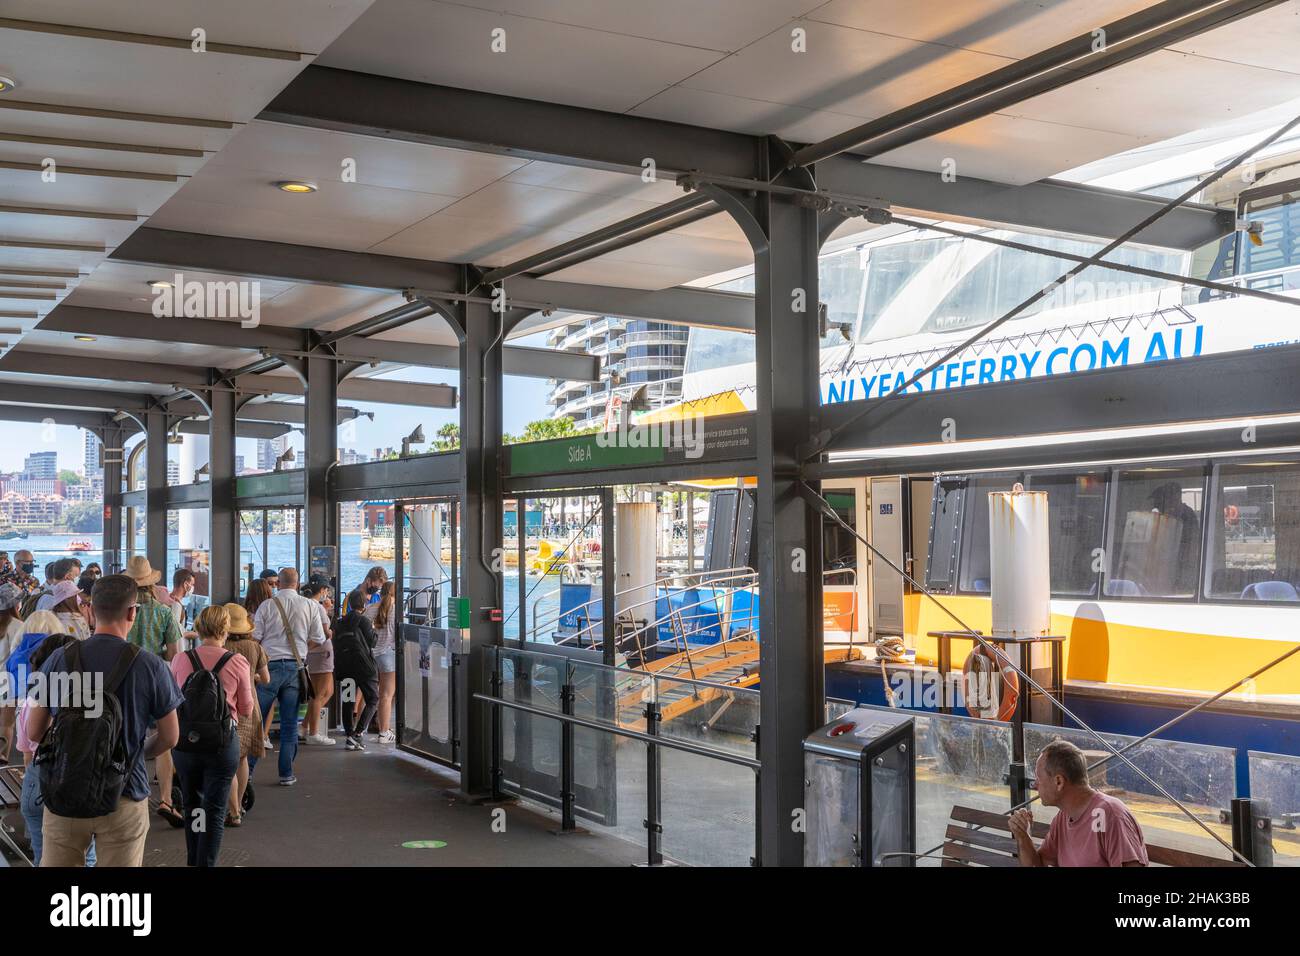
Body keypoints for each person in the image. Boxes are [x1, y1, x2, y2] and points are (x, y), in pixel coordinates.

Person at [28, 574, 183, 867]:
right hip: (124, 791)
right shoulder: (150, 665)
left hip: (65, 790)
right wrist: (135, 751)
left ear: (91, 609)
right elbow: (170, 737)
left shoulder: (60, 658)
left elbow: (34, 731)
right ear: (132, 612)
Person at [170, 605, 251, 866]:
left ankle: (193, 860)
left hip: (185, 742)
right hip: (222, 743)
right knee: (215, 810)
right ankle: (206, 864)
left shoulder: (181, 659)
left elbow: (171, 701)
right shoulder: (237, 661)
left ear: (199, 627)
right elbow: (247, 708)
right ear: (226, 629)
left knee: (192, 805)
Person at [16, 633, 95, 866]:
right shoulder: (81, 702)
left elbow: (27, 754)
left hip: (35, 784)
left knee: (44, 859)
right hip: (69, 782)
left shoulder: (29, 702)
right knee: (86, 857)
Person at [1010, 740, 1149, 867]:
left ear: (1059, 782)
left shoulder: (1110, 814)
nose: (1035, 785)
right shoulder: (1063, 817)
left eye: (1038, 778)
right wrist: (1023, 836)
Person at [123, 556, 184, 827]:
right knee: (162, 741)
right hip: (157, 677)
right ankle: (166, 799)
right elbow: (174, 653)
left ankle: (126, 792)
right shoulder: (164, 612)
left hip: (124, 679)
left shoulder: (122, 611)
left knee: (125, 736)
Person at [249, 567, 324, 785]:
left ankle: (249, 771)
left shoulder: (267, 605)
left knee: (257, 721)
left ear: (278, 583)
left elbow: (256, 638)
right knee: (290, 724)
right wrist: (301, 651)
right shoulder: (310, 605)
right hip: (295, 669)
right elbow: (319, 638)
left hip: (268, 668)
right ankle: (286, 774)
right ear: (297, 584)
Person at [221, 603, 267, 827]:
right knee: (241, 758)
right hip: (250, 706)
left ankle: (232, 810)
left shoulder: (221, 646)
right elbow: (265, 678)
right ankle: (237, 807)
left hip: (224, 707)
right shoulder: (254, 647)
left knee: (227, 759)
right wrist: (252, 678)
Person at [334, 590, 379, 752]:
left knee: (348, 701)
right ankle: (358, 732)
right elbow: (372, 642)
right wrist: (373, 628)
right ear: (364, 604)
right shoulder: (364, 621)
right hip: (364, 668)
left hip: (346, 668)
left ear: (350, 604)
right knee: (373, 698)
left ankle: (349, 734)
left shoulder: (340, 622)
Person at [301, 582, 335, 746]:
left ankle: (304, 726)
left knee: (327, 691)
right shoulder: (318, 607)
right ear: (322, 591)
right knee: (319, 694)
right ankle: (313, 732)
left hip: (313, 653)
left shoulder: (303, 605)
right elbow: (324, 631)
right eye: (326, 590)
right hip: (321, 652)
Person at [364, 581, 398, 742]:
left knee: (368, 693)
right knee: (386, 695)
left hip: (371, 655)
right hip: (388, 656)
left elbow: (362, 628)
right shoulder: (396, 610)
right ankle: (384, 731)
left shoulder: (371, 608)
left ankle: (360, 728)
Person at [243, 578, 275, 749]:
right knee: (267, 699)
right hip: (264, 656)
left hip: (247, 656)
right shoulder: (271, 610)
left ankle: (250, 733)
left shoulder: (244, 613)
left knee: (249, 696)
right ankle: (263, 735)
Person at [169, 568, 197, 637]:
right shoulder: (176, 605)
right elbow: (174, 632)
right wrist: (193, 634)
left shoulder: (168, 600)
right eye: (192, 584)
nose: (192, 588)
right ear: (185, 585)